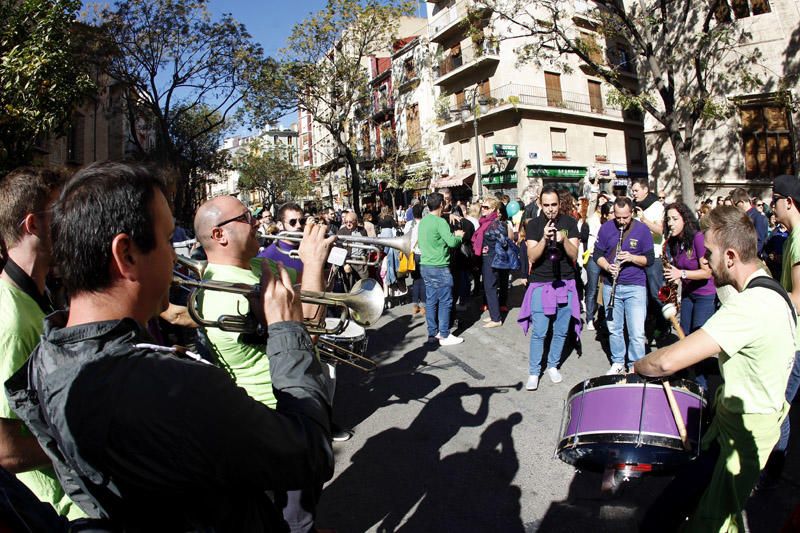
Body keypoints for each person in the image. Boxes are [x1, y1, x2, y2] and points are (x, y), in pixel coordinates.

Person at [5, 162, 335, 530]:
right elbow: (309, 453)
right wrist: (288, 330)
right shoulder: (170, 385)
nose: (175, 257)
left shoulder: (47, 357)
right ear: (126, 254)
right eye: (165, 240)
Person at [636, 205, 795, 532]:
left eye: (709, 253)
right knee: (670, 509)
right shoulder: (765, 285)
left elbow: (666, 361)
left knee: (713, 521)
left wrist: (638, 365)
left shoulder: (751, 307)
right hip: (733, 424)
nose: (704, 261)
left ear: (733, 256)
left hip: (743, 430)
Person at [0, 167, 82, 519]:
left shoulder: (39, 293)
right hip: (60, 510)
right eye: (62, 214)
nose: (73, 225)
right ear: (33, 225)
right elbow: (5, 450)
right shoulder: (13, 320)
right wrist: (86, 442)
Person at [520, 187, 580, 391]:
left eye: (554, 205)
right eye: (546, 205)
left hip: (565, 282)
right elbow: (532, 256)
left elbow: (574, 255)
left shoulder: (570, 223)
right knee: (540, 331)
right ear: (540, 204)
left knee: (561, 330)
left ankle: (553, 365)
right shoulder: (534, 225)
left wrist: (563, 241)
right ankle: (534, 371)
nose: (550, 209)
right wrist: (545, 239)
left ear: (559, 204)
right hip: (540, 283)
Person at [762, 174, 800, 488]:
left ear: (788, 202)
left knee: (779, 407)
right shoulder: (792, 237)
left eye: (775, 200)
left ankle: (772, 473)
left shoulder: (799, 239)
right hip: (792, 337)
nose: (771, 207)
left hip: (796, 342)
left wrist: (763, 294)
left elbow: (799, 298)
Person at [594, 197, 654, 374]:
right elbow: (597, 254)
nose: (621, 222)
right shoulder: (606, 228)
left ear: (632, 213)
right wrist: (607, 266)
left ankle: (635, 365)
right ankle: (618, 361)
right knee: (614, 328)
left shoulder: (642, 230)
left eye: (625, 218)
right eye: (618, 217)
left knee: (636, 331)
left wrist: (631, 258)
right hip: (611, 285)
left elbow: (649, 259)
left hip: (635, 286)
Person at [662, 202, 716, 336]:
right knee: (684, 334)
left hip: (704, 295)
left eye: (675, 219)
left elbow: (707, 272)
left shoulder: (698, 238)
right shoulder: (674, 242)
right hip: (688, 293)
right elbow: (676, 272)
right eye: (668, 219)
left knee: (698, 337)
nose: (670, 223)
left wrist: (681, 273)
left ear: (685, 220)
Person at [418, 192, 464, 346]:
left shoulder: (424, 221)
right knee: (445, 301)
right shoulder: (440, 222)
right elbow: (452, 243)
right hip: (440, 266)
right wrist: (458, 236)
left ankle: (433, 332)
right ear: (441, 205)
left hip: (426, 265)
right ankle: (444, 334)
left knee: (431, 300)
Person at [630, 178, 667, 338]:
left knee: (655, 293)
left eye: (636, 190)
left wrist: (644, 220)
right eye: (633, 190)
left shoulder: (656, 206)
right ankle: (644, 329)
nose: (633, 193)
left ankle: (664, 324)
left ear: (645, 190)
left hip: (654, 256)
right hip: (637, 256)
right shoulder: (633, 206)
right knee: (640, 295)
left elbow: (660, 230)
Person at [473, 197, 511, 328]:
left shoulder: (495, 223)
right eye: (482, 207)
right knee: (489, 287)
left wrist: (492, 248)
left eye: (486, 207)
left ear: (494, 209)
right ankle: (494, 314)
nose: (483, 209)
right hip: (486, 258)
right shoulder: (485, 222)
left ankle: (496, 318)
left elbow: (504, 241)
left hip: (492, 258)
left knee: (490, 287)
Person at [257, 202, 306, 276]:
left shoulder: (309, 248)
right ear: (280, 225)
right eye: (293, 222)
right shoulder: (267, 256)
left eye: (302, 221)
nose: (299, 225)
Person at [731, 187, 768, 257]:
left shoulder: (758, 217)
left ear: (741, 202)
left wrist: (746, 257)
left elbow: (759, 242)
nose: (734, 208)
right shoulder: (742, 217)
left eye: (735, 205)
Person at [404, 203, 426, 316]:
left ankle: (415, 305)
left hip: (411, 255)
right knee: (424, 281)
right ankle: (423, 306)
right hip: (422, 254)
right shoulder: (424, 224)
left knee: (416, 280)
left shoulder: (409, 224)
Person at [338, 212, 370, 288]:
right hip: (349, 261)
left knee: (365, 284)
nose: (348, 224)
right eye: (346, 222)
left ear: (356, 221)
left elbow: (367, 244)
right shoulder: (341, 232)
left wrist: (366, 257)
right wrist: (345, 264)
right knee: (350, 286)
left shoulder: (362, 230)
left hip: (361, 261)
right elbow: (339, 249)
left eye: (350, 222)